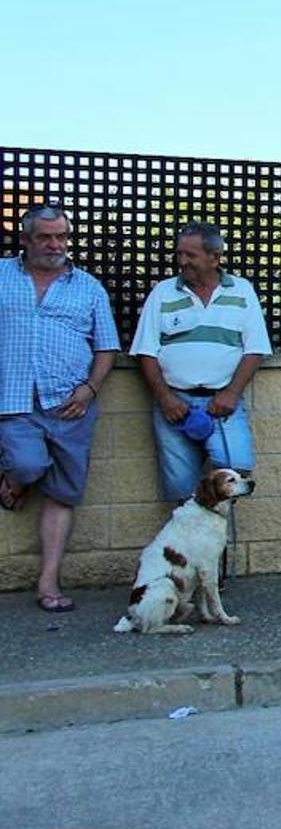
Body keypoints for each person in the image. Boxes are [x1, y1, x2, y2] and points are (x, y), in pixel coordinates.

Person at [0, 205, 120, 612]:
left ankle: (48, 582)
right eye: (45, 237)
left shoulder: (88, 287)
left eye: (62, 237)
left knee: (64, 494)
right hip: (14, 400)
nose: (55, 245)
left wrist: (89, 388)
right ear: (26, 239)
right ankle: (15, 480)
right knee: (28, 464)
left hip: (71, 406)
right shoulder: (1, 276)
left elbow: (106, 347)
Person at [130, 222, 272, 504]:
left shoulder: (242, 291)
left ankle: (217, 546)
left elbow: (255, 348)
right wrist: (165, 398)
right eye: (179, 254)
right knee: (182, 489)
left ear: (215, 257)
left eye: (190, 255)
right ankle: (192, 546)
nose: (182, 261)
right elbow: (146, 352)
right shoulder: (163, 292)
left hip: (222, 404)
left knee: (236, 467)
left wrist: (231, 393)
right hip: (174, 405)